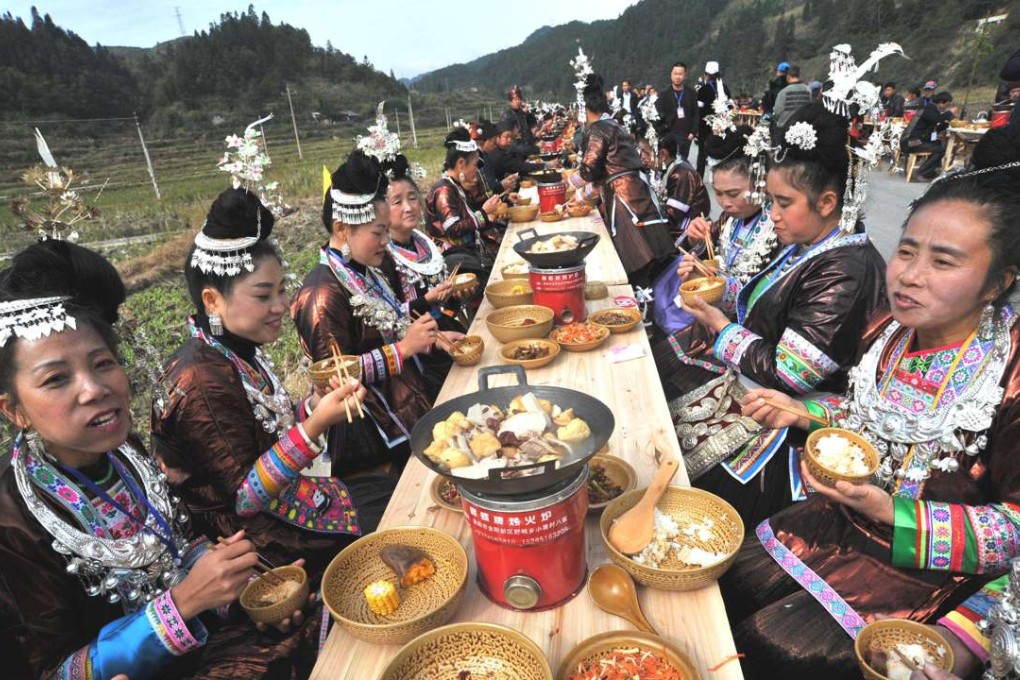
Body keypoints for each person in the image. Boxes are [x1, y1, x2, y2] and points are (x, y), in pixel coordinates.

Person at [722, 163, 1020, 680]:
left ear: (999, 282)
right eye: (906, 251)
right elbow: (867, 414)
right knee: (727, 578)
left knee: (773, 647)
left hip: (922, 575)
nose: (909, 275)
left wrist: (893, 513)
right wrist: (804, 412)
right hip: (833, 522)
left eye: (943, 261)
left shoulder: (1010, 374)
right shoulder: (889, 329)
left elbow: (1016, 526)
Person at [0, 240, 312, 678]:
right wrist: (182, 604)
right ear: (13, 409)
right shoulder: (11, 521)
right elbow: (50, 671)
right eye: (56, 379)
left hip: (202, 640)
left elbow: (176, 544)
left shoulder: (123, 451)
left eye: (102, 363)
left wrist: (244, 588)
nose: (94, 389)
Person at [153, 187, 392, 586]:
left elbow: (268, 428)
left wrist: (314, 404)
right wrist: (315, 424)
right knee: (385, 523)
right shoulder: (200, 378)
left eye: (281, 290)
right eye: (264, 295)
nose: (281, 306)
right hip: (247, 539)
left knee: (387, 491)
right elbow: (244, 497)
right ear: (212, 300)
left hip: (289, 496)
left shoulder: (238, 350)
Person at [665, 102, 887, 526]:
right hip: (753, 382)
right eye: (770, 201)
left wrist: (719, 326)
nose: (772, 215)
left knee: (695, 490)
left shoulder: (846, 270)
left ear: (827, 202)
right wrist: (716, 288)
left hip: (793, 412)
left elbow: (789, 374)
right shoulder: (809, 244)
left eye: (783, 202)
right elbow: (764, 304)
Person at [292, 151, 454, 480]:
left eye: (386, 232)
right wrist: (403, 350)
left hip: (405, 395)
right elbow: (335, 377)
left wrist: (432, 339)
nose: (385, 241)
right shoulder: (322, 294)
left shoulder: (367, 270)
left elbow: (385, 321)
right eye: (378, 233)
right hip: (370, 430)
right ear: (342, 228)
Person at [648, 127, 779, 339]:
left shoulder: (778, 227)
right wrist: (694, 239)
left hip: (744, 330)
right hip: (713, 315)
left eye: (733, 194)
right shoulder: (730, 218)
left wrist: (715, 282)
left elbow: (766, 297)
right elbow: (707, 248)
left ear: (759, 182)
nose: (725, 203)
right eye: (718, 193)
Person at [568, 73, 675, 287]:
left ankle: (643, 293)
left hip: (623, 193)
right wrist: (580, 196)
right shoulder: (614, 125)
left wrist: (567, 185)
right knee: (649, 244)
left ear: (583, 109)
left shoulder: (598, 129)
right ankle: (651, 291)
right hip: (633, 187)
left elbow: (589, 170)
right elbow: (602, 174)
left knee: (636, 251)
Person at [384, 152, 468, 396]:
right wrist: (427, 300)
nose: (409, 207)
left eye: (412, 198)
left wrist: (456, 296)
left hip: (443, 330)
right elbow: (389, 317)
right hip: (418, 353)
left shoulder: (422, 242)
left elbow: (445, 305)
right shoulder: (383, 257)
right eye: (397, 202)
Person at [423, 128, 504, 278]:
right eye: (475, 165)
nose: (476, 170)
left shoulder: (455, 185)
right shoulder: (443, 190)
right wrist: (484, 213)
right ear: (461, 163)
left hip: (466, 251)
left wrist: (489, 215)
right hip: (454, 258)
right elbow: (453, 229)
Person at [656, 132, 711, 235]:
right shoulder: (669, 167)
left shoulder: (682, 174)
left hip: (692, 228)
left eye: (645, 152)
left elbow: (673, 215)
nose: (641, 157)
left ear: (663, 154)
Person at [903, 91, 955, 181]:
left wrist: (947, 123)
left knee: (938, 143)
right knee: (940, 150)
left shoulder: (933, 110)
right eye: (947, 105)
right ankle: (920, 172)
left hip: (917, 140)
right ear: (942, 102)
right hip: (912, 142)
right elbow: (936, 120)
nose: (947, 107)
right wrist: (949, 113)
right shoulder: (929, 107)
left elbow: (935, 127)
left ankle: (930, 171)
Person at [654, 62, 700, 158]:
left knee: (682, 162)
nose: (677, 77)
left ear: (685, 76)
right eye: (675, 74)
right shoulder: (664, 94)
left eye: (680, 74)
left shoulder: (691, 93)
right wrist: (662, 133)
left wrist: (693, 132)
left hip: (686, 135)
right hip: (669, 134)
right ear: (671, 75)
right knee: (669, 161)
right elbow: (657, 114)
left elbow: (696, 113)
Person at [695, 61, 731, 177]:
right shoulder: (724, 88)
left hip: (705, 126)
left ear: (706, 74)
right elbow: (730, 107)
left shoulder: (703, 89)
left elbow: (699, 110)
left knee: (702, 154)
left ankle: (699, 177)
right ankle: (720, 176)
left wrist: (696, 127)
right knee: (720, 151)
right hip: (722, 125)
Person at [499, 85, 539, 155]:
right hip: (515, 154)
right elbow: (510, 143)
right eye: (515, 99)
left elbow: (533, 124)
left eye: (519, 99)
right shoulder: (507, 116)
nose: (518, 101)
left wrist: (527, 112)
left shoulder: (522, 113)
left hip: (526, 149)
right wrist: (533, 149)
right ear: (510, 102)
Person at [772, 65, 813, 130]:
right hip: (803, 126)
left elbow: (777, 111)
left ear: (788, 77)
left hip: (786, 127)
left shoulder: (783, 92)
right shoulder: (808, 90)